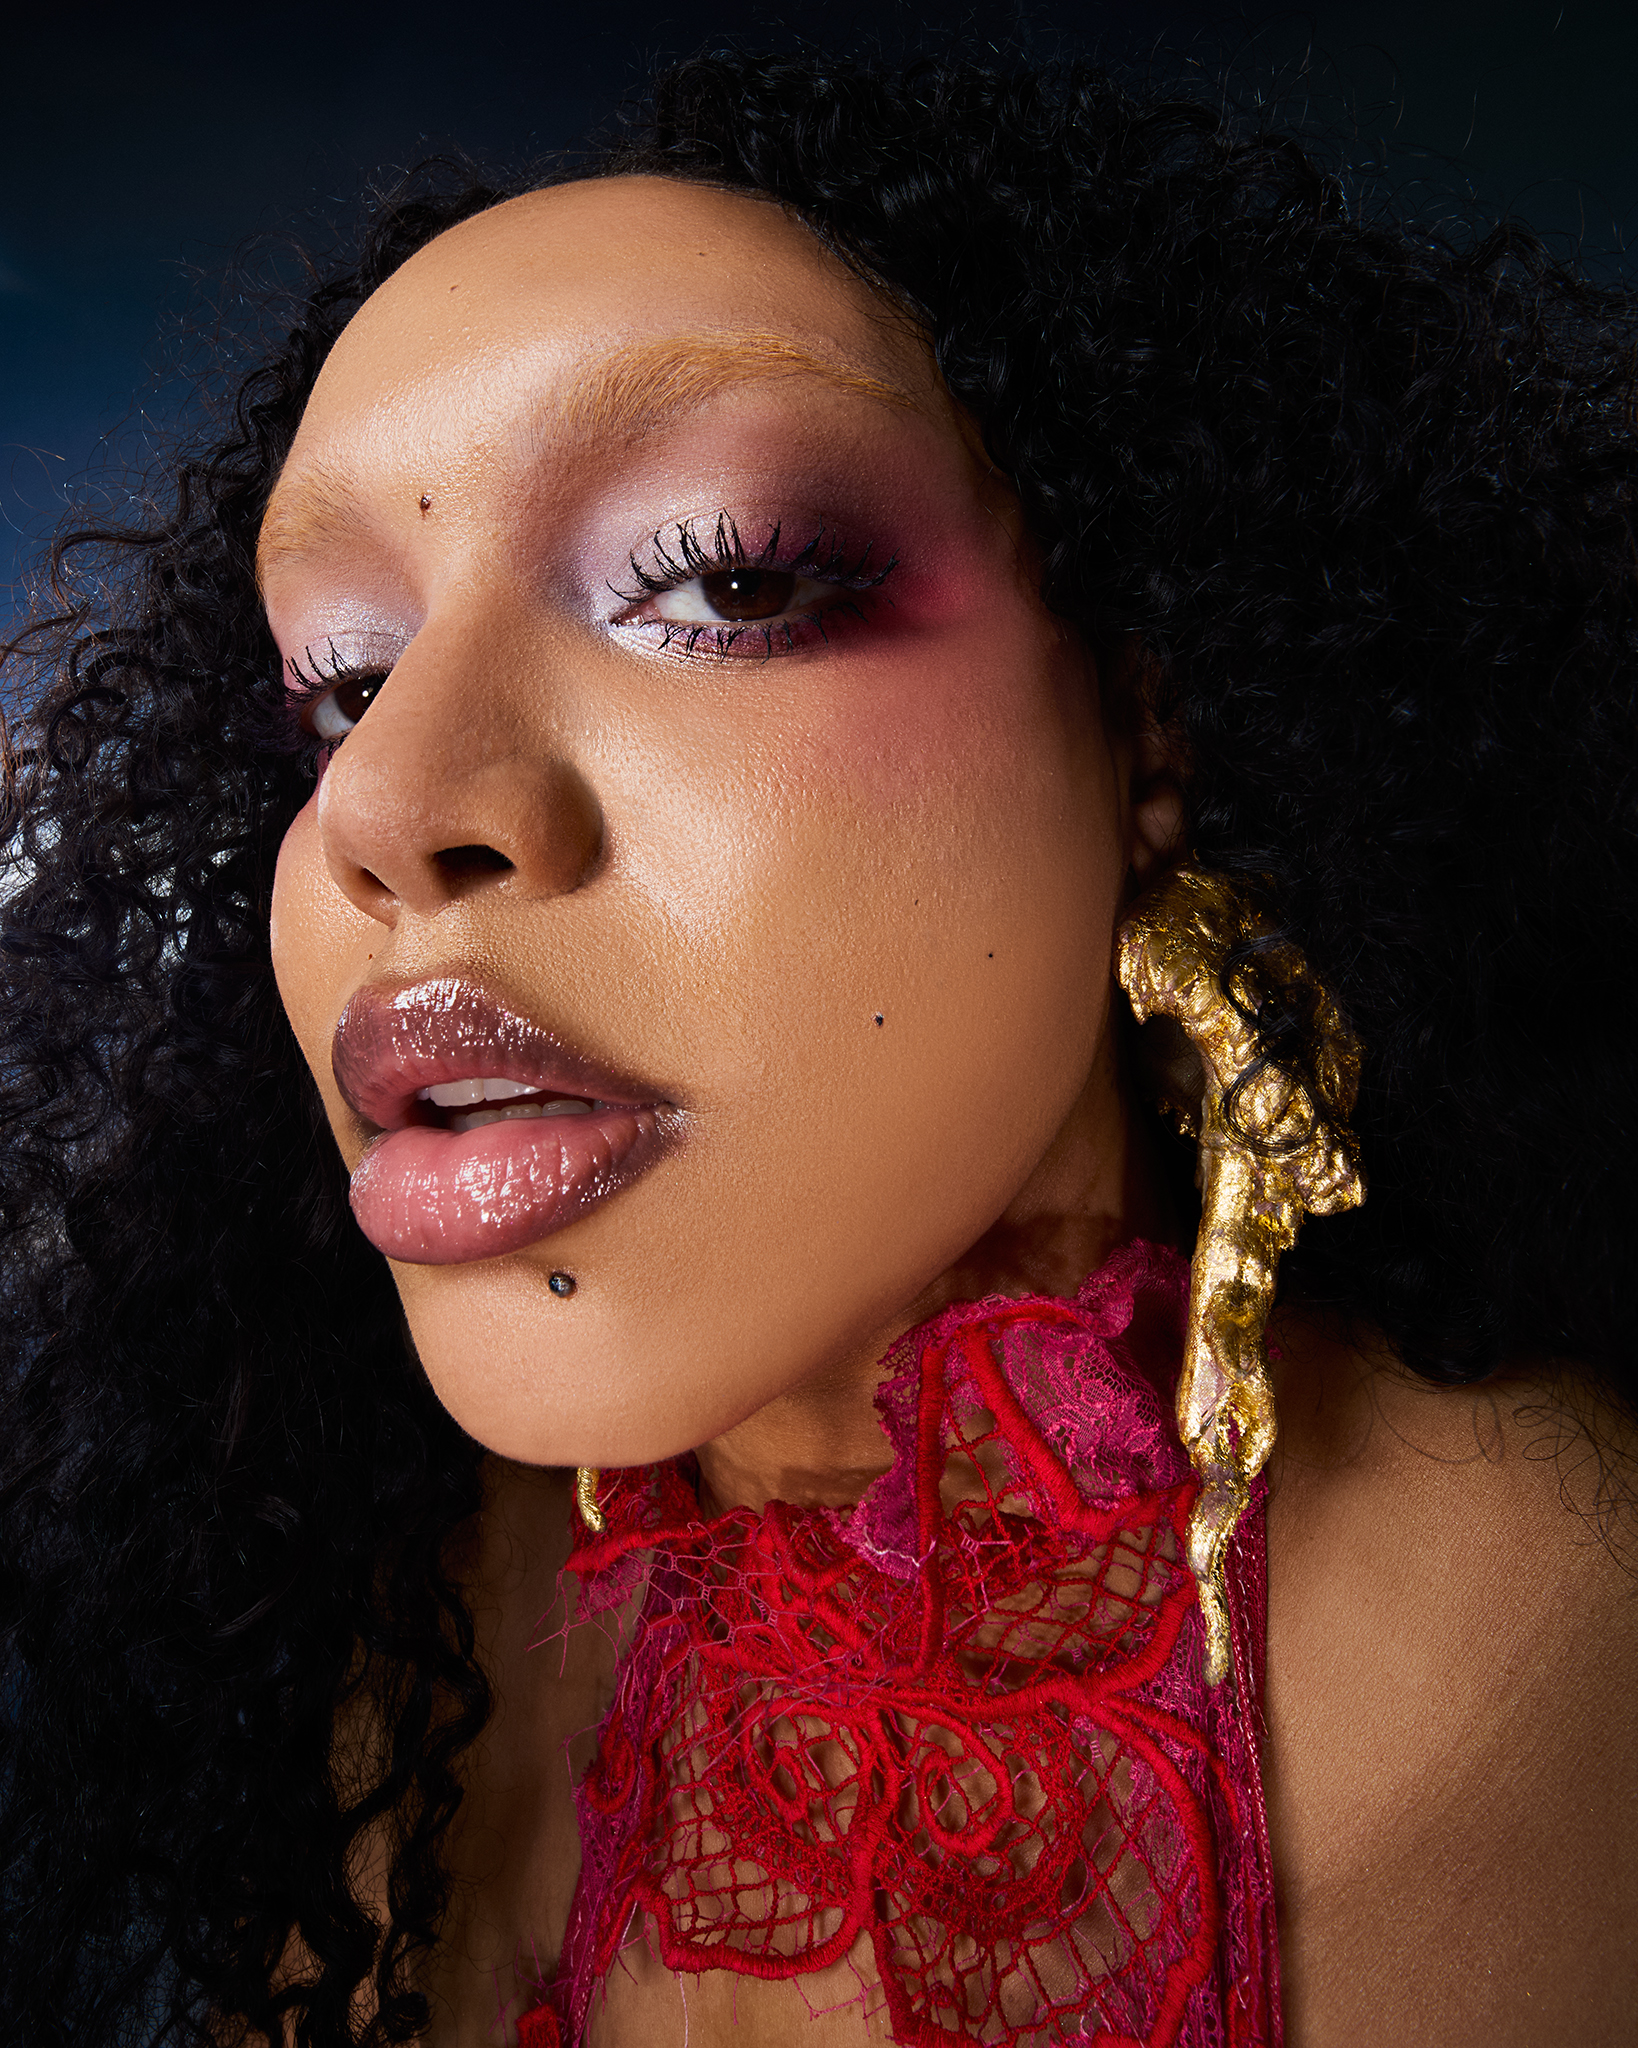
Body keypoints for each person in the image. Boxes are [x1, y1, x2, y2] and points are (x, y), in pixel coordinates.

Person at [1, 48, 1634, 2048]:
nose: (389, 803)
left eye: (727, 575)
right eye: (343, 684)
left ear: (1147, 726)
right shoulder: (359, 1638)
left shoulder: (1562, 1644)